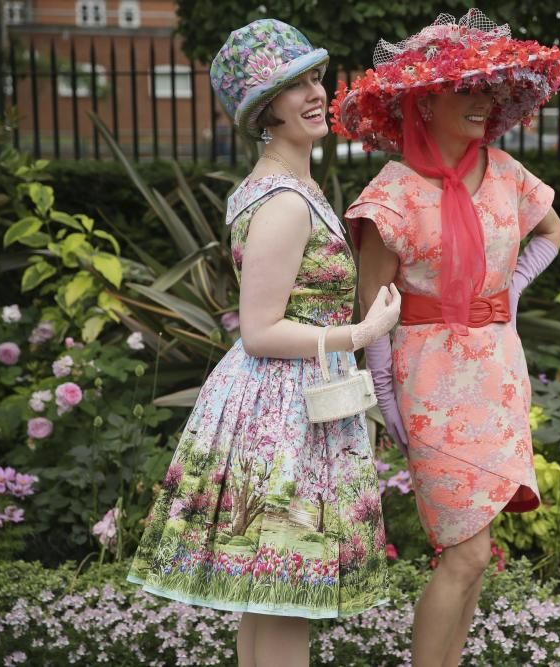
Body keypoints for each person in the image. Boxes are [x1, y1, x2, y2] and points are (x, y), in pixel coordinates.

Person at [127, 19, 401, 667]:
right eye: (291, 86)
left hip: (285, 403)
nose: (313, 93)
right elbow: (260, 329)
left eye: (313, 77)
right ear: (261, 110)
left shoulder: (290, 185)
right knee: (284, 600)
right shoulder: (283, 200)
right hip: (282, 418)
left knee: (270, 600)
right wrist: (362, 333)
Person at [332, 9, 560, 666]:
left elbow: (552, 232)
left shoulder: (507, 173)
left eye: (488, 89)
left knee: (481, 551)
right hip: (429, 385)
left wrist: (512, 288)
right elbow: (372, 309)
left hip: (498, 373)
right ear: (427, 101)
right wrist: (385, 395)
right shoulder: (391, 195)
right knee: (462, 551)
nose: (483, 101)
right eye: (467, 89)